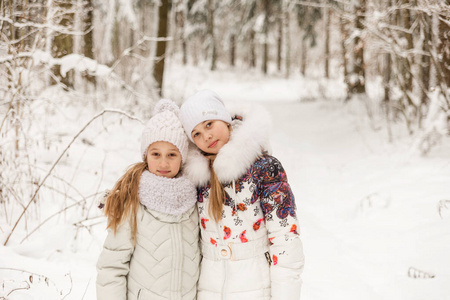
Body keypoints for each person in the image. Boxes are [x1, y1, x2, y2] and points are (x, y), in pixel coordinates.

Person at [179, 90, 305, 300]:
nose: (206, 136)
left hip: (257, 288)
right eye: (196, 134)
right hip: (208, 290)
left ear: (225, 119)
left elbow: (286, 241)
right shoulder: (195, 179)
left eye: (209, 124)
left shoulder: (264, 169)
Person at [96, 99, 200, 300]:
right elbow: (111, 267)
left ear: (183, 157)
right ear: (146, 155)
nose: (163, 162)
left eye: (172, 154)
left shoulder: (193, 200)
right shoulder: (133, 202)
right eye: (156, 154)